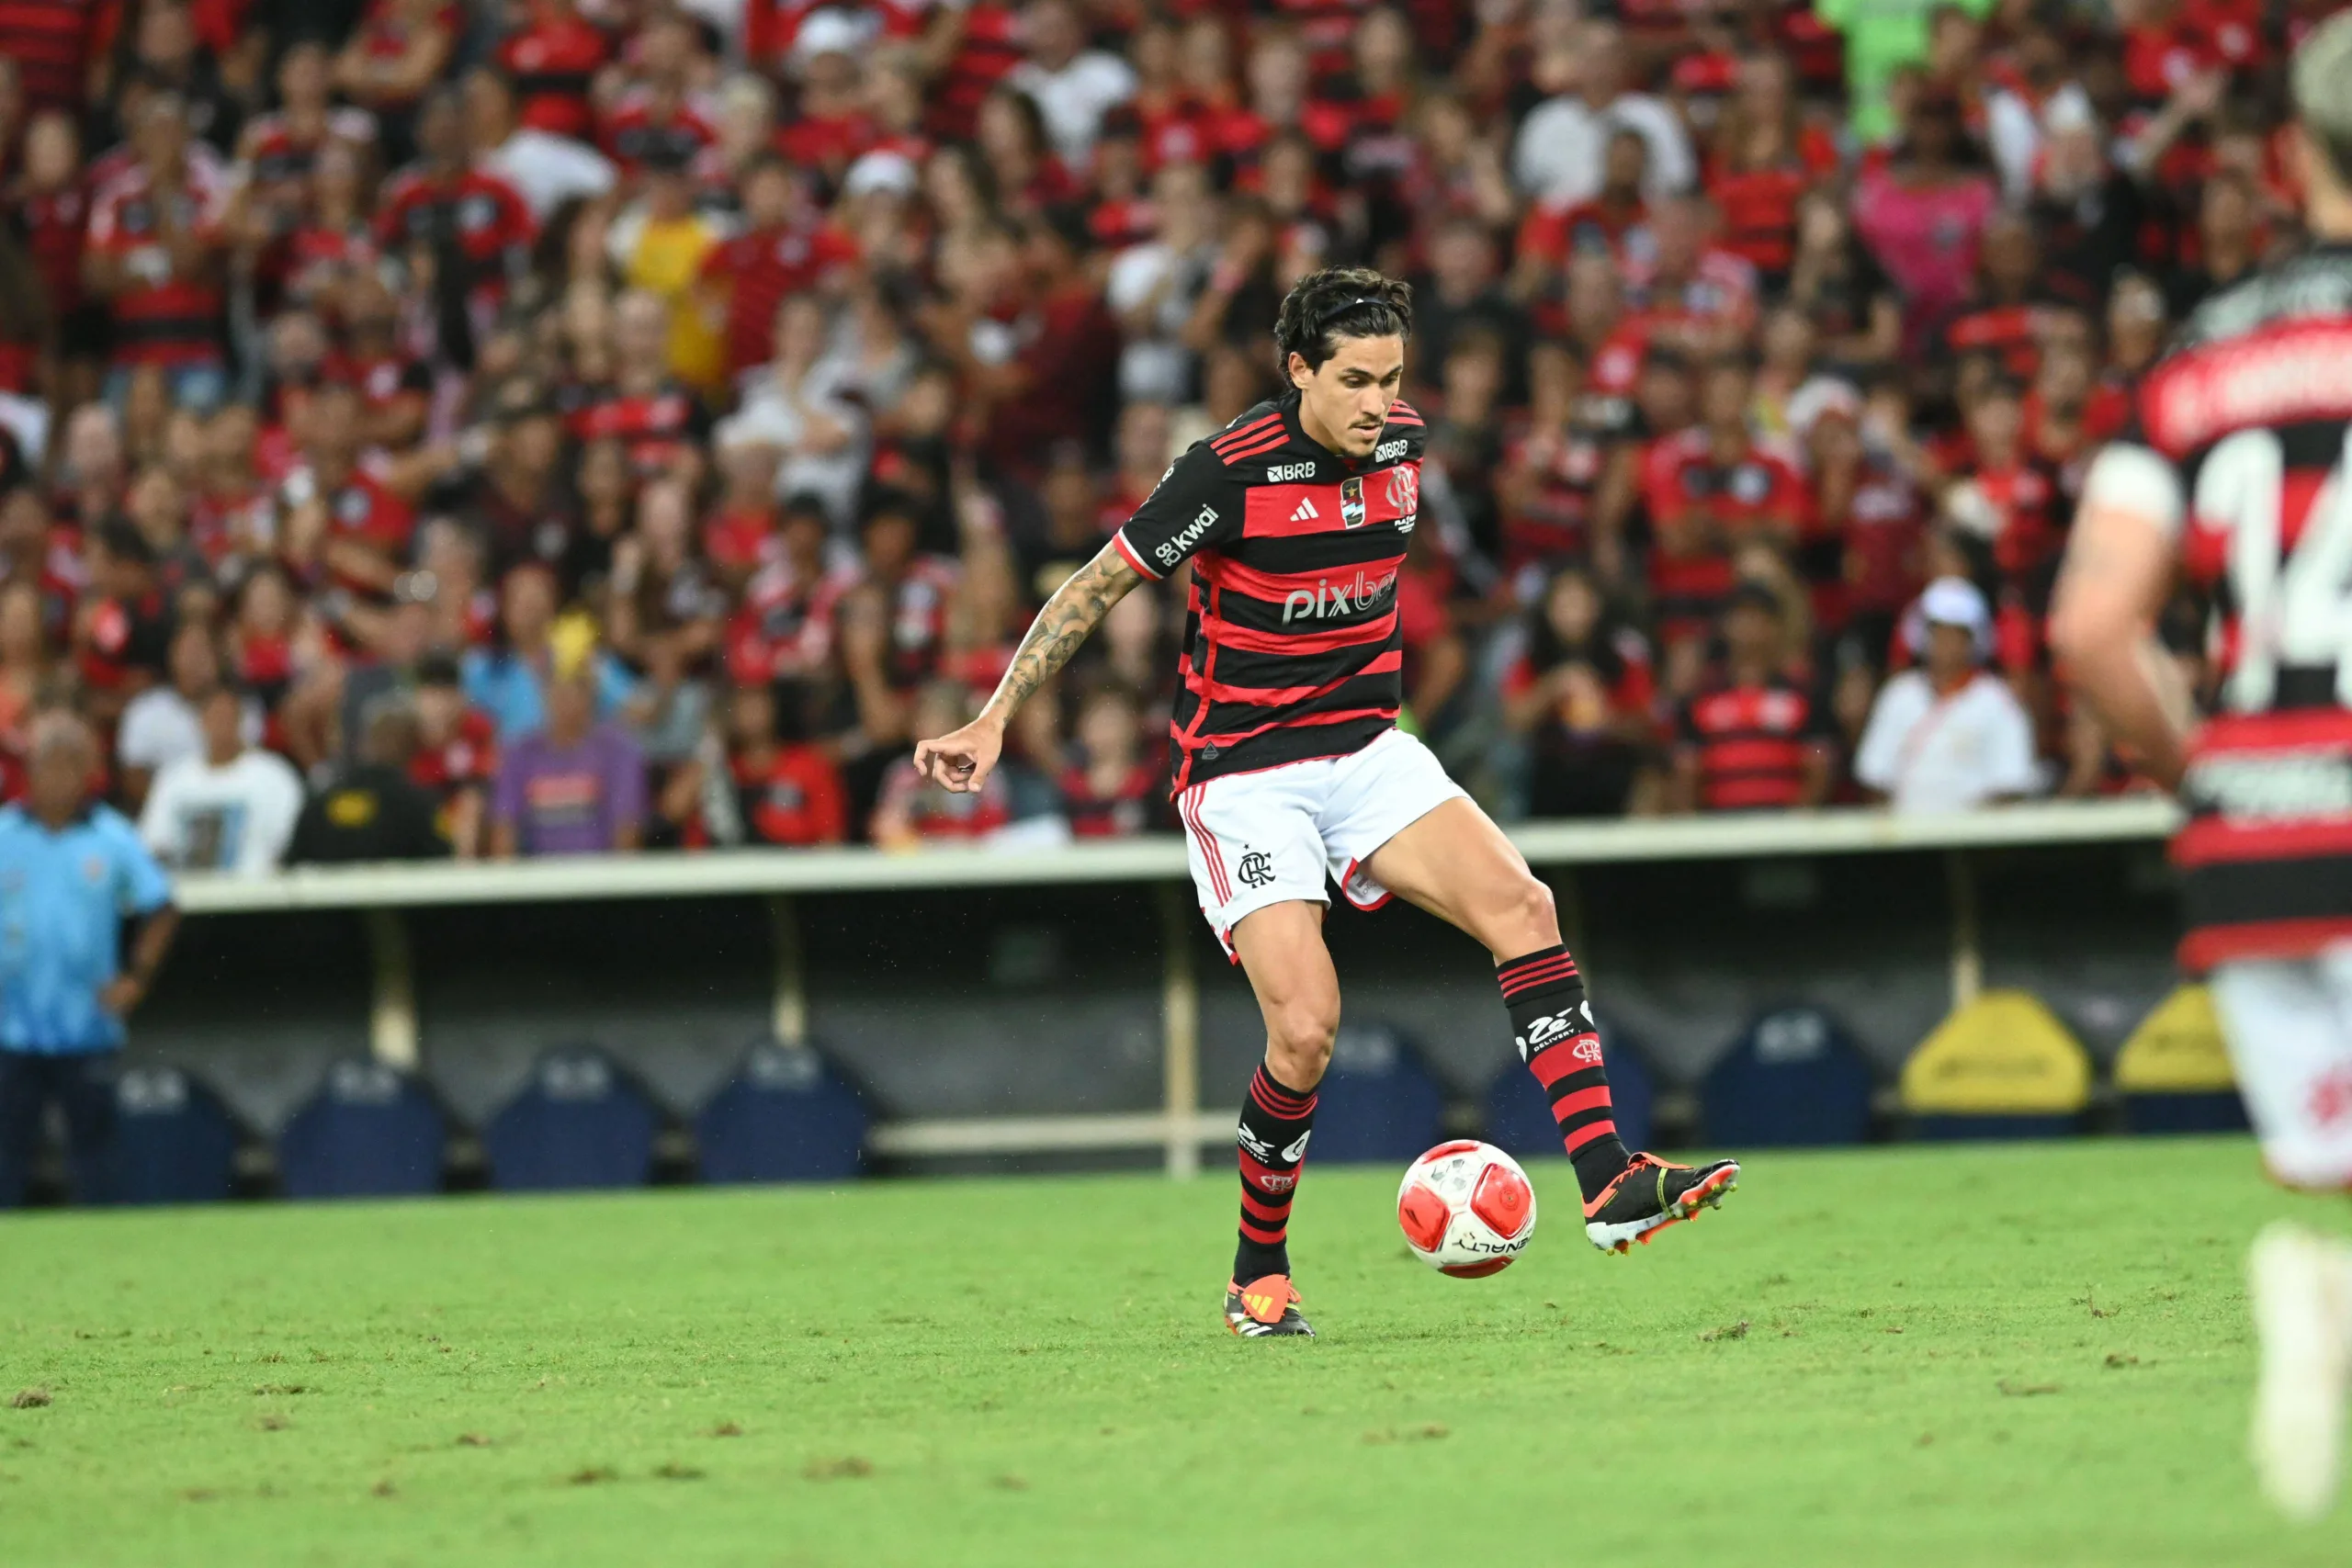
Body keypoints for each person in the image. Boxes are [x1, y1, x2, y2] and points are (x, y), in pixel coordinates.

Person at [912, 266, 1740, 1338]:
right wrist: (993, 717)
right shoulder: (1223, 473)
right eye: (1352, 380)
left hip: (1365, 748)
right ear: (1297, 370)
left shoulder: (1404, 443)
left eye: (1391, 380)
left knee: (1524, 908)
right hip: (1243, 774)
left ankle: (1609, 1182)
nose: (1376, 404)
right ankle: (1258, 1271)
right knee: (1305, 1032)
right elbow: (1092, 589)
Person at [2049, 17, 2352, 1522]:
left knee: (2335, 1167)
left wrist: (2206, 767)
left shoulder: (2198, 364)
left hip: (2264, 838)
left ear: (2289, 160)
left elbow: (2093, 629)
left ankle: (2327, 1303)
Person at [0, 713, 179, 1206]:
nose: (56, 778)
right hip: (12, 1027)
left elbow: (161, 905)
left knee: (96, 1152)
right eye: (47, 765)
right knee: (7, 1152)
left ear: (86, 775)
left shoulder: (112, 836)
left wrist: (136, 977)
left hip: (87, 1025)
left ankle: (107, 1257)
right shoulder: (6, 834)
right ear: (29, 773)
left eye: (68, 766)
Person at [1853, 578, 2039, 813]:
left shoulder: (1998, 700)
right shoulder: (1899, 694)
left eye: (1955, 634)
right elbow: (1875, 777)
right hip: (1905, 836)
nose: (1945, 643)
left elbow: (2010, 784)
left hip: (1973, 839)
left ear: (1973, 640)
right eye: (1937, 632)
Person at [138, 683, 304, 875]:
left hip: (255, 895)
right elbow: (155, 844)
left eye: (227, 717)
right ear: (200, 722)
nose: (220, 726)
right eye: (214, 717)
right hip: (188, 894)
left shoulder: (274, 776)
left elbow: (289, 844)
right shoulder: (173, 778)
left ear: (240, 720)